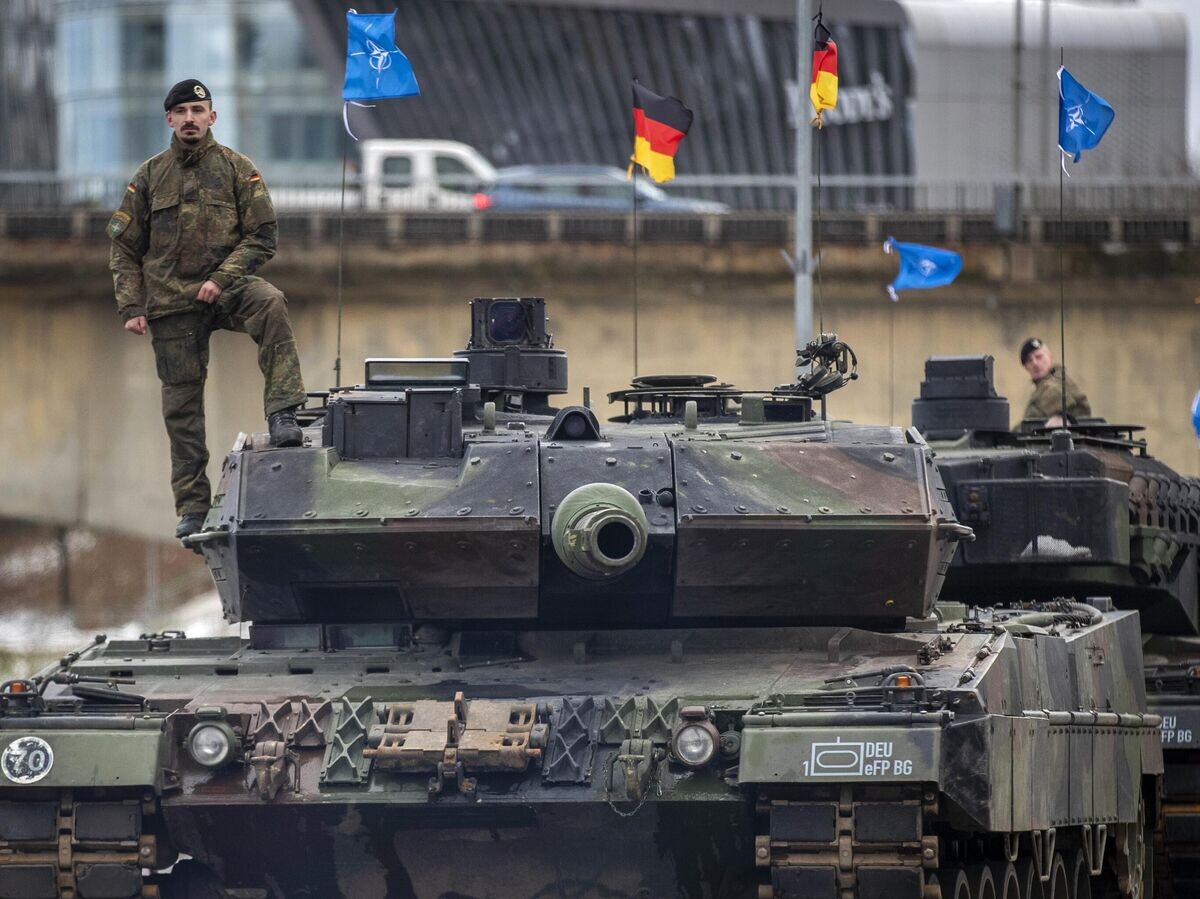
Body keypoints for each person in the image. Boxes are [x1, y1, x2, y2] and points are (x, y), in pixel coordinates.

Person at [108, 79, 307, 540]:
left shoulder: (238, 169)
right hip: (170, 301)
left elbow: (264, 236)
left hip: (228, 287)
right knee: (182, 408)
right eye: (182, 111)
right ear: (170, 120)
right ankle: (194, 506)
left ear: (212, 117)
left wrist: (222, 278)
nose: (191, 118)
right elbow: (123, 248)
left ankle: (283, 413)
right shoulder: (149, 177)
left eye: (198, 109)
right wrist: (131, 306)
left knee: (271, 302)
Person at [1018, 337, 1091, 425]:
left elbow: (1054, 395)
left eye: (1039, 357)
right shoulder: (1041, 387)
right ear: (1026, 368)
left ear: (1050, 357)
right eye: (1029, 360)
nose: (1035, 363)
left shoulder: (1055, 380)